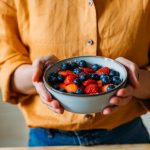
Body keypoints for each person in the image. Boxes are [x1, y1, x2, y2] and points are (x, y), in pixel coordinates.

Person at [0, 0, 150, 146]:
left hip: (127, 136)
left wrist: (133, 81)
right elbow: (7, 68)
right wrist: (38, 75)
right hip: (48, 140)